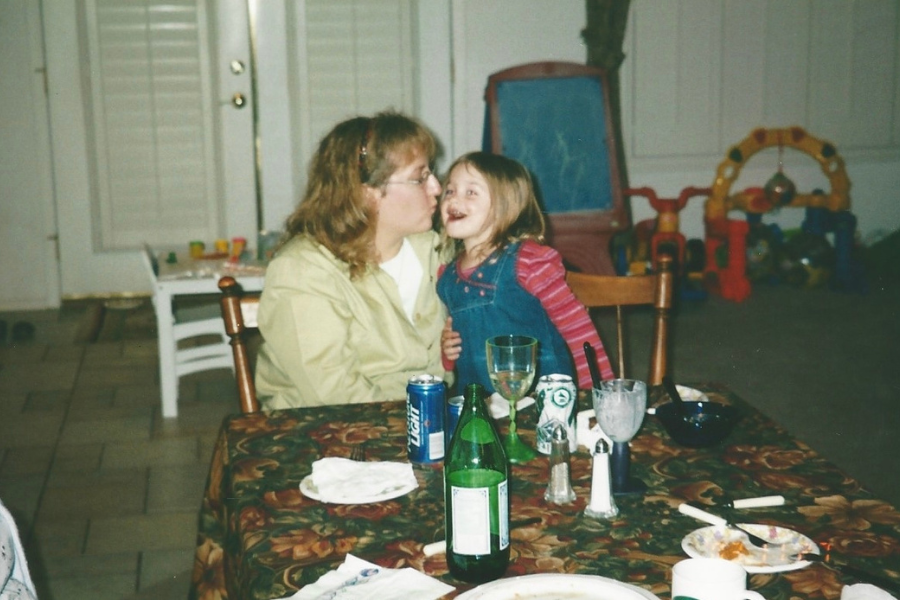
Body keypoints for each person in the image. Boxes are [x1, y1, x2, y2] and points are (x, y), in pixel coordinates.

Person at [255, 111, 449, 409]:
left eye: (431, 173)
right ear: (368, 194)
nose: (437, 187)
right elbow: (334, 394)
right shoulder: (302, 271)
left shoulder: (434, 250)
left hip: (426, 424)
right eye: (419, 178)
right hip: (329, 432)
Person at [438, 151, 614, 391]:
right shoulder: (448, 277)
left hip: (541, 395)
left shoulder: (529, 262)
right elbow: (460, 341)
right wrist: (448, 350)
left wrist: (599, 390)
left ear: (504, 207)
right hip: (479, 401)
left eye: (471, 192)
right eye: (450, 190)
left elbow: (577, 329)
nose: (454, 200)